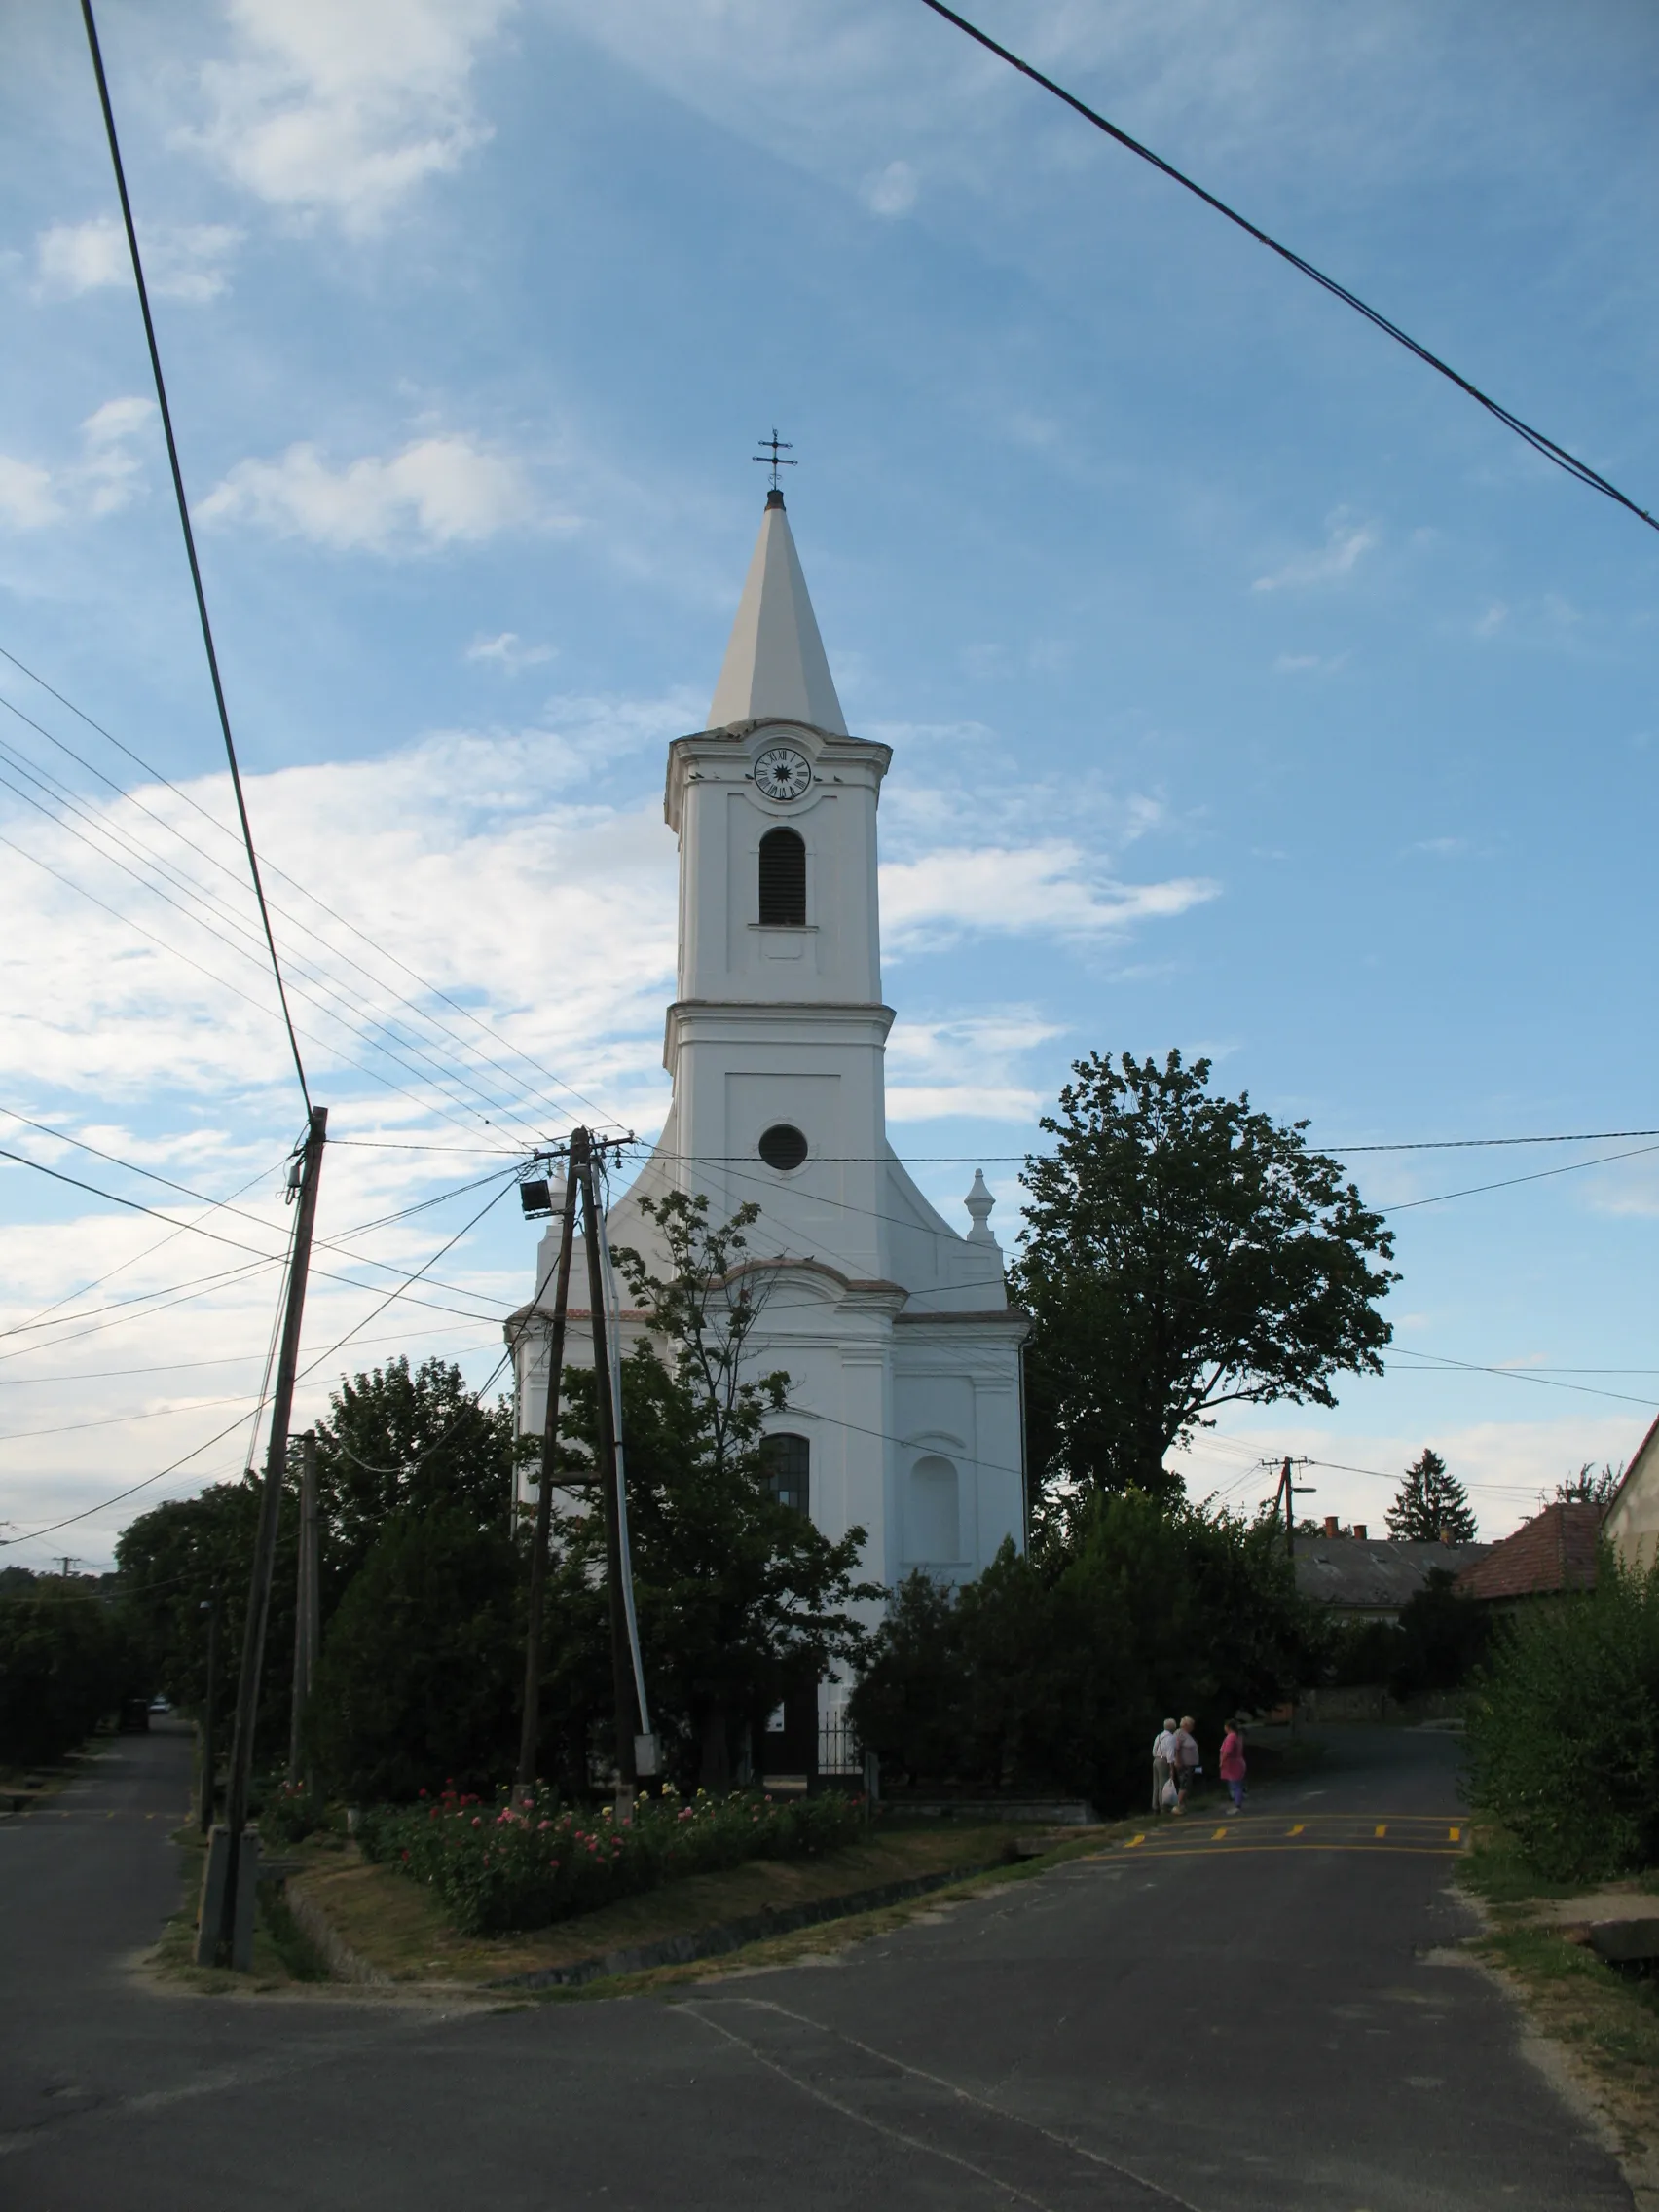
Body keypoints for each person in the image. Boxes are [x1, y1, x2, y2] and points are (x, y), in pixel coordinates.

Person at [1170, 1715, 1201, 1812]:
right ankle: (1178, 1805)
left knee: (1187, 1784)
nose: (1192, 1727)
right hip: (1184, 1764)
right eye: (1191, 1725)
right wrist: (1178, 1760)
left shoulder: (1186, 1734)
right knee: (1184, 1783)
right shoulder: (1179, 1733)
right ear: (1186, 1725)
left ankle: (1183, 1804)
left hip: (1190, 1764)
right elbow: (1176, 1748)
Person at [1151, 1717, 1179, 1813]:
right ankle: (1164, 1807)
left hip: (1156, 1760)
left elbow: (1154, 1750)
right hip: (1164, 1761)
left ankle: (1155, 1806)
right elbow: (1170, 1753)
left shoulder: (1158, 1736)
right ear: (1173, 1727)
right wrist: (1171, 1767)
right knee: (1163, 1784)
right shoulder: (1171, 1738)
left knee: (1156, 1785)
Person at [1219, 1717, 1247, 1812]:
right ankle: (1238, 1801)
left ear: (1228, 1727)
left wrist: (1222, 1761)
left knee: (1235, 1785)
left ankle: (1237, 1804)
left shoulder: (1231, 1737)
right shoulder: (1238, 1736)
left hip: (1233, 1765)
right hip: (1238, 1762)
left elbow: (1228, 1751)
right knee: (1237, 1784)